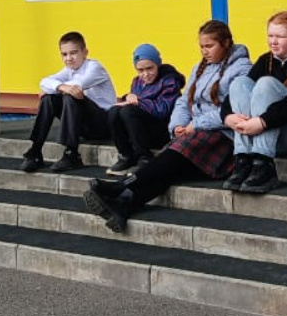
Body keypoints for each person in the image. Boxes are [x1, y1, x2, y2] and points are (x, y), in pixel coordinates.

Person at [82, 21, 251, 233]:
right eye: (201, 46)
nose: (204, 51)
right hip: (195, 131)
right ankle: (124, 206)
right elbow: (184, 101)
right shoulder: (199, 68)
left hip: (222, 135)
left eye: (209, 46)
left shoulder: (243, 69)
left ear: (225, 43)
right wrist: (177, 124)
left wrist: (195, 124)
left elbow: (232, 110)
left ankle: (122, 185)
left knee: (172, 158)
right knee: (170, 170)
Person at [223, 10, 287, 193]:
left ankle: (264, 164)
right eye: (270, 36)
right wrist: (227, 117)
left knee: (266, 84)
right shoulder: (265, 60)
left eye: (280, 36)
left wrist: (263, 121)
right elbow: (233, 95)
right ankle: (243, 159)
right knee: (240, 83)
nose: (273, 41)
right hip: (260, 134)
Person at [21, 31, 117, 173]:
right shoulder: (68, 71)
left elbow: (78, 85)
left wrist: (57, 88)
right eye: (64, 54)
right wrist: (58, 87)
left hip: (103, 124)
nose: (68, 58)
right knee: (49, 99)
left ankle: (71, 154)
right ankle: (35, 151)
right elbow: (44, 82)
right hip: (84, 125)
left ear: (85, 52)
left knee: (71, 96)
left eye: (73, 53)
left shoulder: (95, 67)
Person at [104, 44, 185, 177]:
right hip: (140, 131)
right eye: (140, 70)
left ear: (158, 64)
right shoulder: (137, 82)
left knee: (128, 111)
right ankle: (126, 156)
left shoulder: (169, 81)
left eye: (150, 68)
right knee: (114, 111)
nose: (145, 74)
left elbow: (163, 109)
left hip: (162, 130)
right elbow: (131, 102)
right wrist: (128, 97)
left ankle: (145, 157)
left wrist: (138, 101)